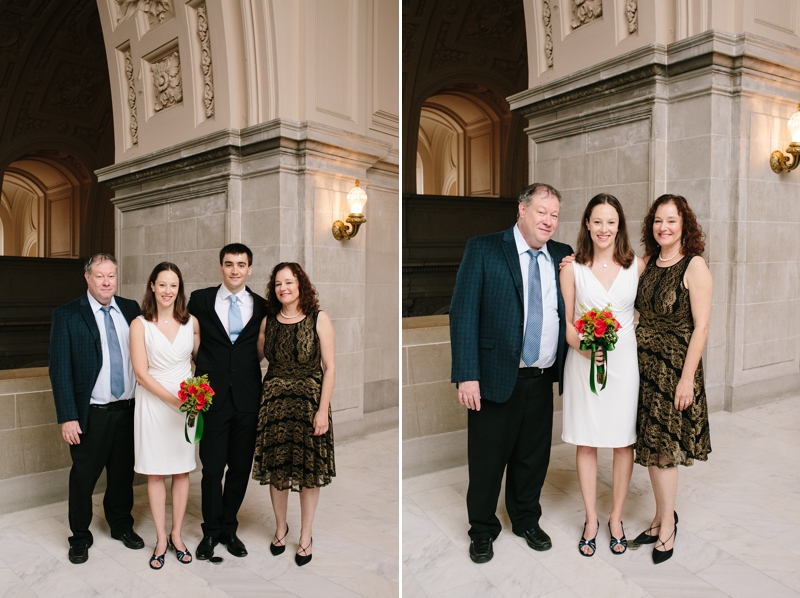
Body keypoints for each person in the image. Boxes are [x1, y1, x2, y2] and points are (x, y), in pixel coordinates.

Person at [450, 183, 573, 564]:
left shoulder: (563, 256)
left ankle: (525, 519)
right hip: (493, 378)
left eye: (554, 214)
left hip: (542, 378)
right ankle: (483, 529)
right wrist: (467, 374)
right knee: (487, 461)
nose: (549, 221)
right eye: (542, 212)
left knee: (532, 458)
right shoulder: (484, 248)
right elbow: (463, 312)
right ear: (522, 210)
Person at [560, 194, 645, 557]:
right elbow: (566, 324)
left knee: (623, 441)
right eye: (597, 221)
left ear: (619, 226)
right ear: (587, 225)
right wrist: (584, 347)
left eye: (611, 222)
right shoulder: (571, 267)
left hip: (624, 363)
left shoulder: (637, 266)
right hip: (584, 363)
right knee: (588, 440)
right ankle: (592, 519)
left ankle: (616, 518)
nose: (604, 229)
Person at [631, 194, 712, 564]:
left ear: (684, 225)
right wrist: (574, 263)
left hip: (673, 371)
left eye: (671, 220)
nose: (663, 227)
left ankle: (667, 528)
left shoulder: (694, 266)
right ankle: (662, 516)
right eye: (658, 221)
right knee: (650, 447)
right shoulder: (646, 263)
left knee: (664, 451)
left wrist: (686, 380)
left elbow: (702, 326)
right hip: (644, 368)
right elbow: (607, 273)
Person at [49, 253, 145, 564]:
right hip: (91, 413)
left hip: (127, 410)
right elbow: (59, 369)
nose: (106, 282)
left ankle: (121, 525)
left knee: (121, 476)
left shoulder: (131, 309)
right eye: (100, 276)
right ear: (88, 278)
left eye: (111, 276)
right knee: (83, 478)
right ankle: (79, 536)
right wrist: (67, 417)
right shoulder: (67, 315)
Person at [252, 262, 336, 567]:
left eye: (289, 282)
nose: (283, 288)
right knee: (278, 471)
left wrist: (322, 410)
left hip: (308, 404)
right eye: (277, 284)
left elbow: (331, 368)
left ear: (301, 285)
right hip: (274, 404)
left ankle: (306, 535)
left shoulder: (318, 318)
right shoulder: (268, 322)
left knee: (308, 471)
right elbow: (252, 359)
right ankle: (280, 527)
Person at [187, 244, 268, 560]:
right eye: (229, 264)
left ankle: (229, 528)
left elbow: (259, 347)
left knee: (239, 467)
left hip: (248, 398)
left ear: (250, 269)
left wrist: (242, 370)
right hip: (212, 399)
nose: (235, 270)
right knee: (211, 468)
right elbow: (191, 339)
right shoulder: (201, 300)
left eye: (241, 264)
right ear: (221, 267)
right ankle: (210, 531)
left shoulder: (261, 305)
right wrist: (207, 367)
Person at [130, 262, 201, 569]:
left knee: (182, 470)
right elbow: (141, 374)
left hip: (186, 408)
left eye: (173, 285)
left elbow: (201, 361)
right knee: (156, 472)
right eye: (162, 284)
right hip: (155, 404)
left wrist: (199, 395)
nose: (168, 291)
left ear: (179, 289)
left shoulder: (191, 323)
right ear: (152, 286)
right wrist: (175, 401)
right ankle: (160, 537)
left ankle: (177, 535)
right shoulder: (139, 324)